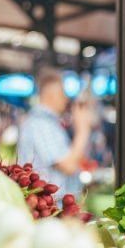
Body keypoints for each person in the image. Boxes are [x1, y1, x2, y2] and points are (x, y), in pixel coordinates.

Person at [18, 67, 91, 197]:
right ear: (51, 95)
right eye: (63, 92)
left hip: (52, 209)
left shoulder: (46, 122)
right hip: (51, 209)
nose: (66, 98)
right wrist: (83, 130)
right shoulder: (41, 124)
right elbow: (68, 166)